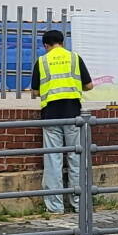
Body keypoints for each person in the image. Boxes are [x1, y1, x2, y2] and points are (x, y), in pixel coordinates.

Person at [31, 30, 93, 214]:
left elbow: (35, 92)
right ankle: (79, 204)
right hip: (73, 115)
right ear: (62, 42)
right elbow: (89, 85)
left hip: (51, 115)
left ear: (45, 45)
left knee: (53, 160)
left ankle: (55, 207)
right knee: (76, 158)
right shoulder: (74, 58)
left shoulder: (42, 61)